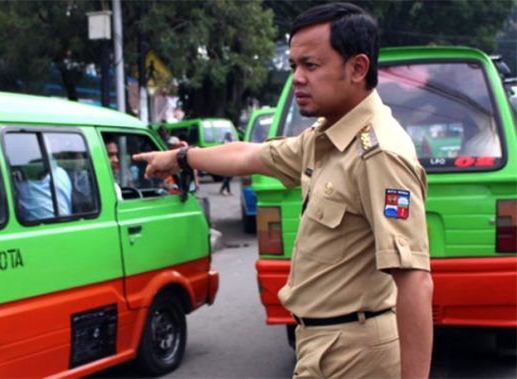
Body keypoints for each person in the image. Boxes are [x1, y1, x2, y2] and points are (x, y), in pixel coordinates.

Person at [133, 3, 433, 378]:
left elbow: (415, 282)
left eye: (311, 65)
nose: (297, 78)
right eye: (293, 66)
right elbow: (249, 155)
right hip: (321, 344)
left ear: (357, 68)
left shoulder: (379, 154)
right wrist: (181, 157)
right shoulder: (324, 138)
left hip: (356, 354)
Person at [218, 132, 234, 196]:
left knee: (229, 177)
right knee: (228, 176)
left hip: (230, 161)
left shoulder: (230, 142)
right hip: (226, 161)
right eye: (231, 135)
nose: (232, 136)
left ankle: (227, 190)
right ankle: (223, 190)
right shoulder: (226, 142)